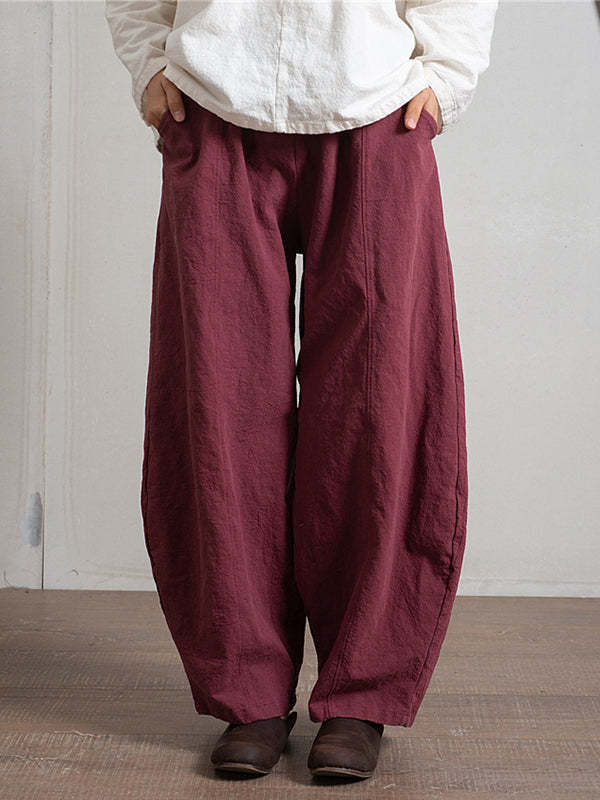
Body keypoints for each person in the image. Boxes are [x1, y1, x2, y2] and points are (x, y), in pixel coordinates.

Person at [105, 0, 498, 781]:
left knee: (378, 407)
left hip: (376, 107)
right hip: (213, 98)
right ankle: (247, 692)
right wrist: (149, 60)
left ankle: (361, 692)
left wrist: (446, 76)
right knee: (218, 409)